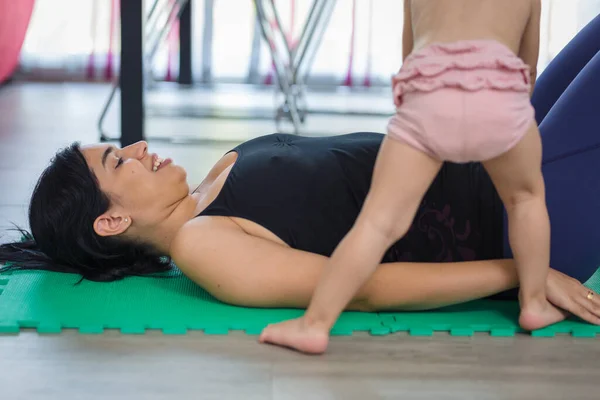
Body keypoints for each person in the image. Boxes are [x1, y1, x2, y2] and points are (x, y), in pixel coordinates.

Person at [1, 5, 600, 350]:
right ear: (113, 219)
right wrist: (527, 271)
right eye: (118, 161)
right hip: (516, 221)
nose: (138, 147)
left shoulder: (215, 177)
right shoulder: (202, 244)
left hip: (492, 153)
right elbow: (366, 289)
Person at [259, 0, 557, 353]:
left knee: (377, 222)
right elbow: (529, 65)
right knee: (525, 199)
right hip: (499, 95)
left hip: (430, 95)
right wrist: (511, 115)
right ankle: (535, 303)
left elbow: (409, 56)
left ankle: (315, 324)